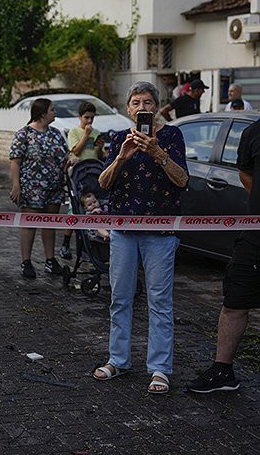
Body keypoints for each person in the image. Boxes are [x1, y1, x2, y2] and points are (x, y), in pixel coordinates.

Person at [94, 81, 189, 395]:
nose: (142, 108)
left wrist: (157, 153)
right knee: (119, 298)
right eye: (135, 102)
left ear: (157, 106)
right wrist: (122, 157)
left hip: (160, 233)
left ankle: (159, 368)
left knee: (160, 302)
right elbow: (103, 183)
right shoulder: (119, 138)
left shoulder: (172, 135)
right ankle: (118, 360)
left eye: (148, 102)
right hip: (123, 231)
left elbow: (182, 180)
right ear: (128, 108)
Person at [186, 118, 260, 393]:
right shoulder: (254, 131)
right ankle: (222, 371)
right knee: (234, 302)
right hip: (255, 234)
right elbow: (245, 173)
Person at [9, 98, 71, 278]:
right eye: (52, 109)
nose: (55, 112)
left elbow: (66, 155)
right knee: (29, 225)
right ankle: (26, 261)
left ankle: (50, 260)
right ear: (43, 113)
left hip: (54, 188)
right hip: (31, 189)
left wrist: (71, 160)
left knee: (49, 224)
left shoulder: (56, 133)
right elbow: (15, 162)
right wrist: (16, 186)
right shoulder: (24, 134)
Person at [61, 101, 105, 259]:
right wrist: (86, 134)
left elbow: (99, 157)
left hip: (92, 175)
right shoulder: (74, 131)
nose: (89, 122)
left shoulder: (96, 131)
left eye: (92, 118)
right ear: (79, 117)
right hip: (78, 176)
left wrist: (100, 147)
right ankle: (66, 242)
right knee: (75, 209)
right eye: (86, 118)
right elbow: (77, 151)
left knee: (93, 206)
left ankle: (94, 241)